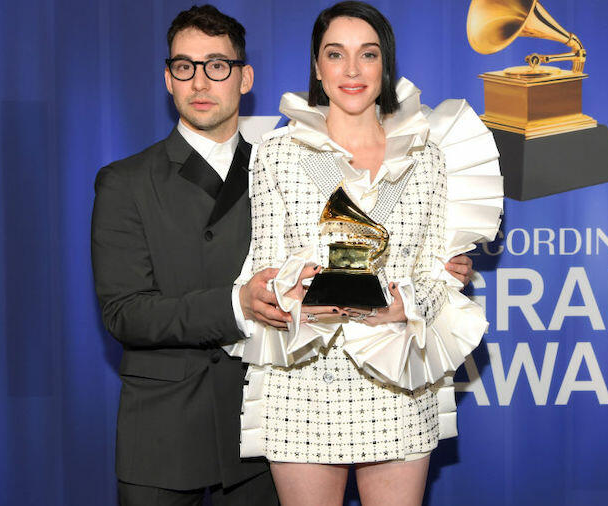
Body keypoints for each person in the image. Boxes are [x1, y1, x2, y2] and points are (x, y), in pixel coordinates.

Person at [91, 5, 476, 504]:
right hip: (221, 409)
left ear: (245, 77)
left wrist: (433, 283)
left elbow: (429, 267)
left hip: (377, 386)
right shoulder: (264, 157)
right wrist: (252, 300)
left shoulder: (281, 156)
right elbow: (131, 310)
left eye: (217, 66)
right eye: (185, 67)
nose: (201, 82)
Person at [223, 2, 503, 505]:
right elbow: (265, 266)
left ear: (385, 65)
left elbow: (439, 277)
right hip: (304, 376)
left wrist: (405, 305)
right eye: (336, 54)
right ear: (317, 67)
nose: (352, 70)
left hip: (398, 377)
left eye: (367, 54)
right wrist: (292, 295)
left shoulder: (427, 156)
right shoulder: (275, 153)